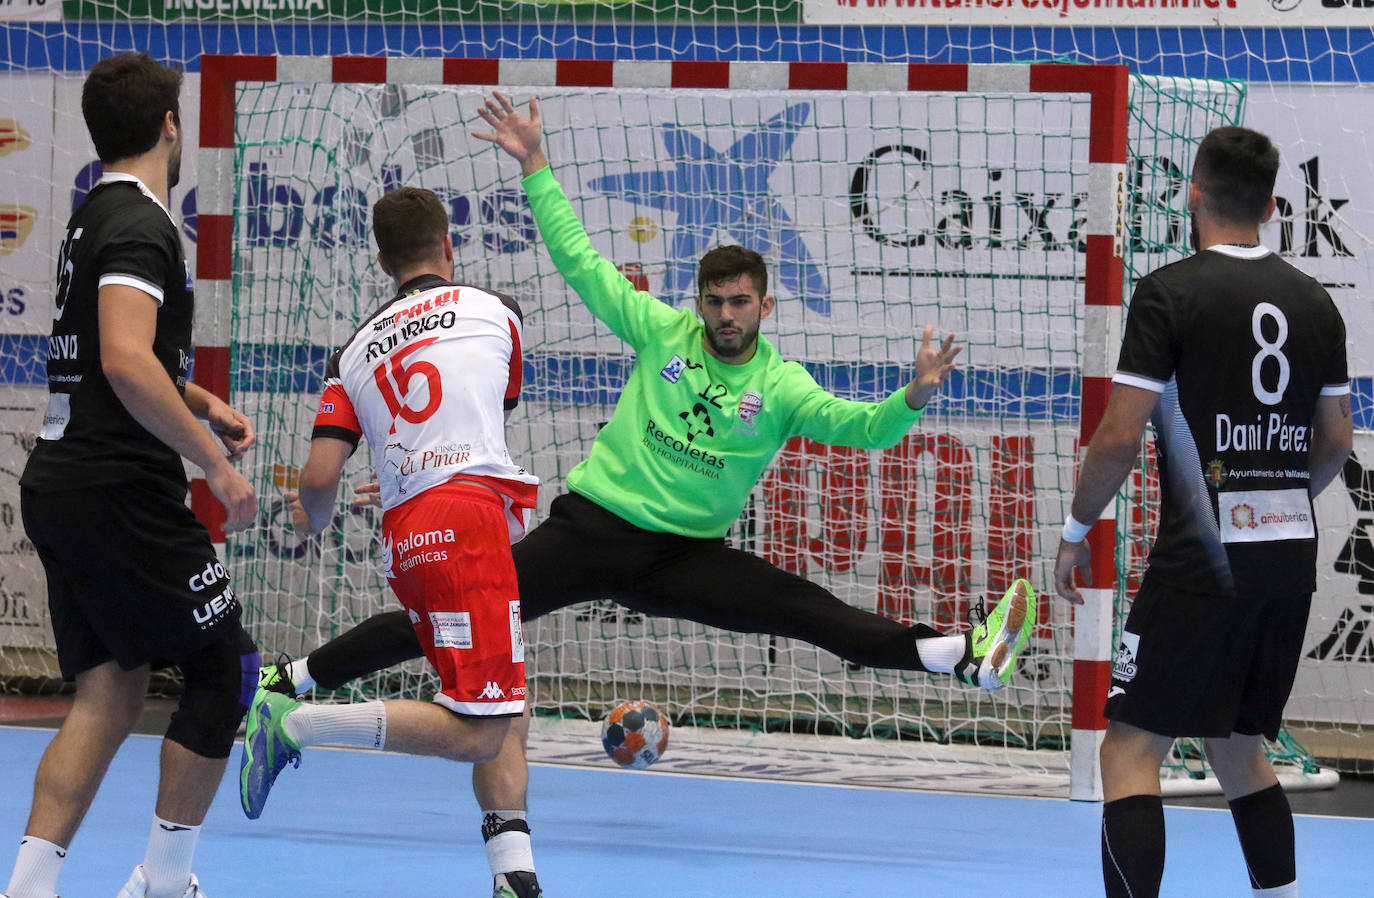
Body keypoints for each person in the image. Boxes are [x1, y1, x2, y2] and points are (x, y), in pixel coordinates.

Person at [255, 91, 1037, 898]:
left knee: (802, 609)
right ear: (697, 302)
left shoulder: (782, 386)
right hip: (591, 532)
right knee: (441, 615)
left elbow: (860, 427)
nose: (725, 316)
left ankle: (955, 654)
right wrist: (534, 164)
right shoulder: (662, 332)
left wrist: (911, 396)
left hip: (681, 559)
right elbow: (581, 262)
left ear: (767, 306)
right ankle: (293, 681)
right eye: (714, 301)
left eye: (740, 303)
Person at [1053, 126, 1352, 898]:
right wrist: (1273, 500)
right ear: (1273, 205)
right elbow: (1336, 441)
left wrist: (1075, 530)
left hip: (1201, 563)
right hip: (1288, 560)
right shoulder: (1318, 302)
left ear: (1193, 192)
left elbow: (1118, 437)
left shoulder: (1171, 291)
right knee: (1238, 747)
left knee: (1125, 752)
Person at [3, 53, 261, 898]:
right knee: (224, 669)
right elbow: (122, 359)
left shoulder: (94, 215)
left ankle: (30, 886)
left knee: (110, 693)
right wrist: (216, 466)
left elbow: (118, 354)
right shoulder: (141, 225)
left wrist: (199, 399)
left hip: (66, 479)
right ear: (170, 127)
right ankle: (164, 881)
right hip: (117, 488)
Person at [237, 186, 540, 894]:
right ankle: (296, 723)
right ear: (449, 245)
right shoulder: (498, 312)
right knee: (484, 729)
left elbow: (318, 476)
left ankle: (514, 877)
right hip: (467, 525)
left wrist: (318, 513)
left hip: (409, 535)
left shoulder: (351, 355)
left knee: (502, 705)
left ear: (381, 260)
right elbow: (484, 409)